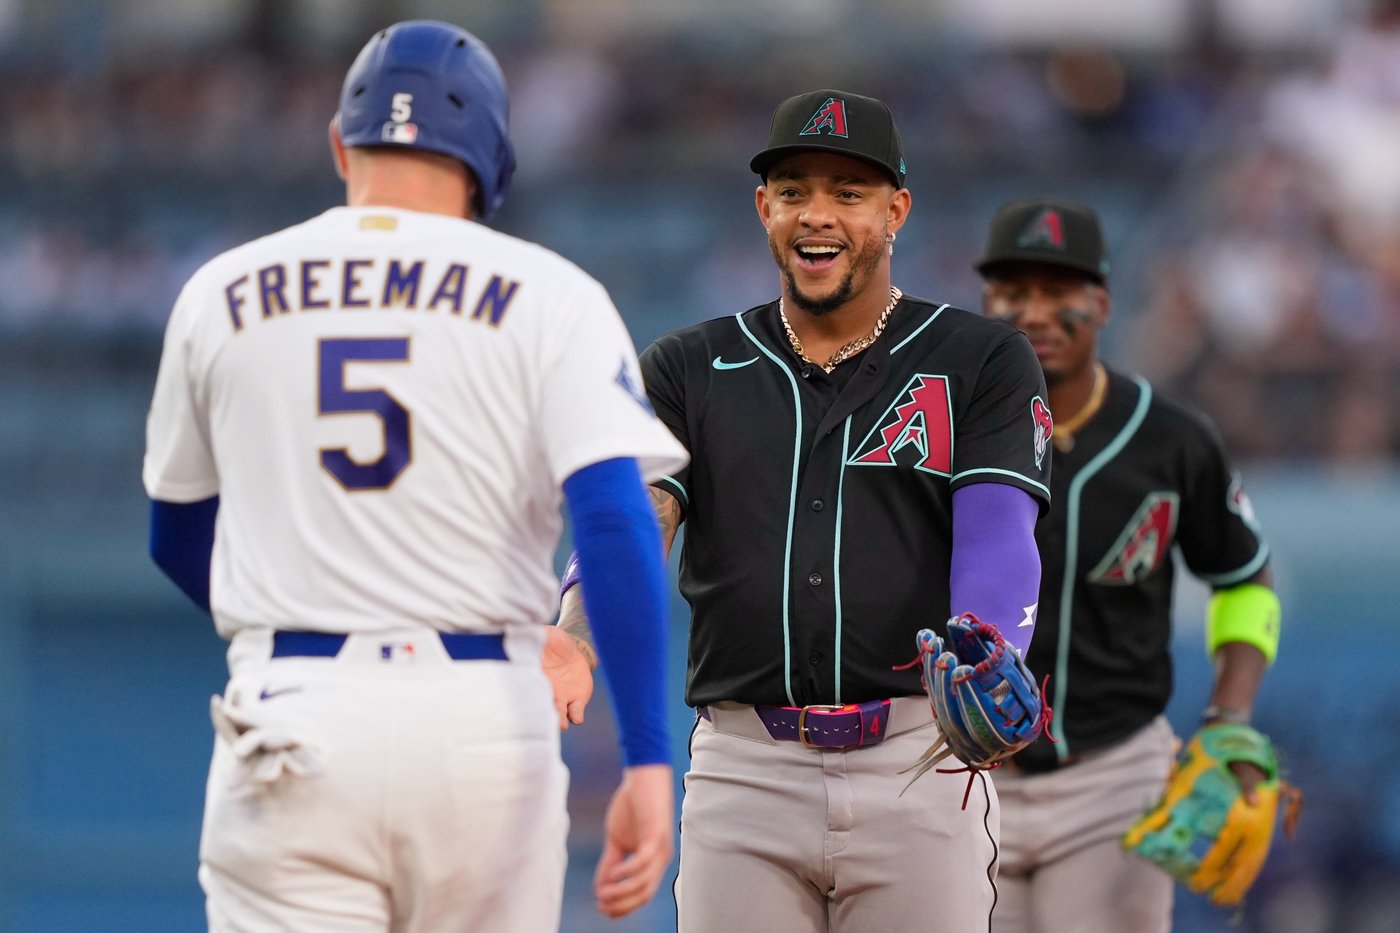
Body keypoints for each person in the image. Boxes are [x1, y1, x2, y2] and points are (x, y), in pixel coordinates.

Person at [141, 20, 688, 931]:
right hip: (480, 719)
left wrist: (292, 612)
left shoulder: (220, 290)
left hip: (294, 712)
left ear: (338, 144)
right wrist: (645, 755)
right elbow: (616, 522)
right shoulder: (552, 294)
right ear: (491, 165)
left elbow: (175, 533)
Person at [556, 88, 1053, 932]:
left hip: (915, 757)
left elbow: (1000, 530)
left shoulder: (979, 359)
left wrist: (992, 642)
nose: (817, 216)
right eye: (793, 191)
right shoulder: (689, 366)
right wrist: (574, 631)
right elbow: (634, 519)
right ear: (764, 208)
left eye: (848, 194)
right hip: (747, 768)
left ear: (896, 209)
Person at [974, 196, 1281, 932]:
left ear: (1102, 302)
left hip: (1110, 776)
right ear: (986, 300)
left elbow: (1244, 578)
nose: (1036, 311)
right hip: (965, 780)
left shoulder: (1170, 439)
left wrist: (1229, 712)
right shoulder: (941, 431)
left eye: (1059, 292)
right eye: (1015, 291)